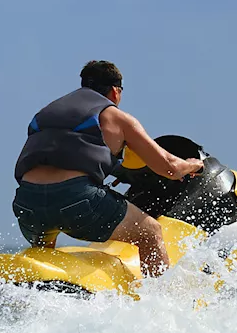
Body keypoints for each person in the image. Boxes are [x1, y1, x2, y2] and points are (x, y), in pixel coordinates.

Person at [12, 61, 204, 275]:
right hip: (76, 200)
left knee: (44, 253)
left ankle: (40, 282)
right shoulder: (115, 117)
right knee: (150, 233)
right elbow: (169, 168)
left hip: (27, 204)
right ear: (115, 91)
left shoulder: (46, 112)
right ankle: (158, 303)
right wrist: (193, 165)